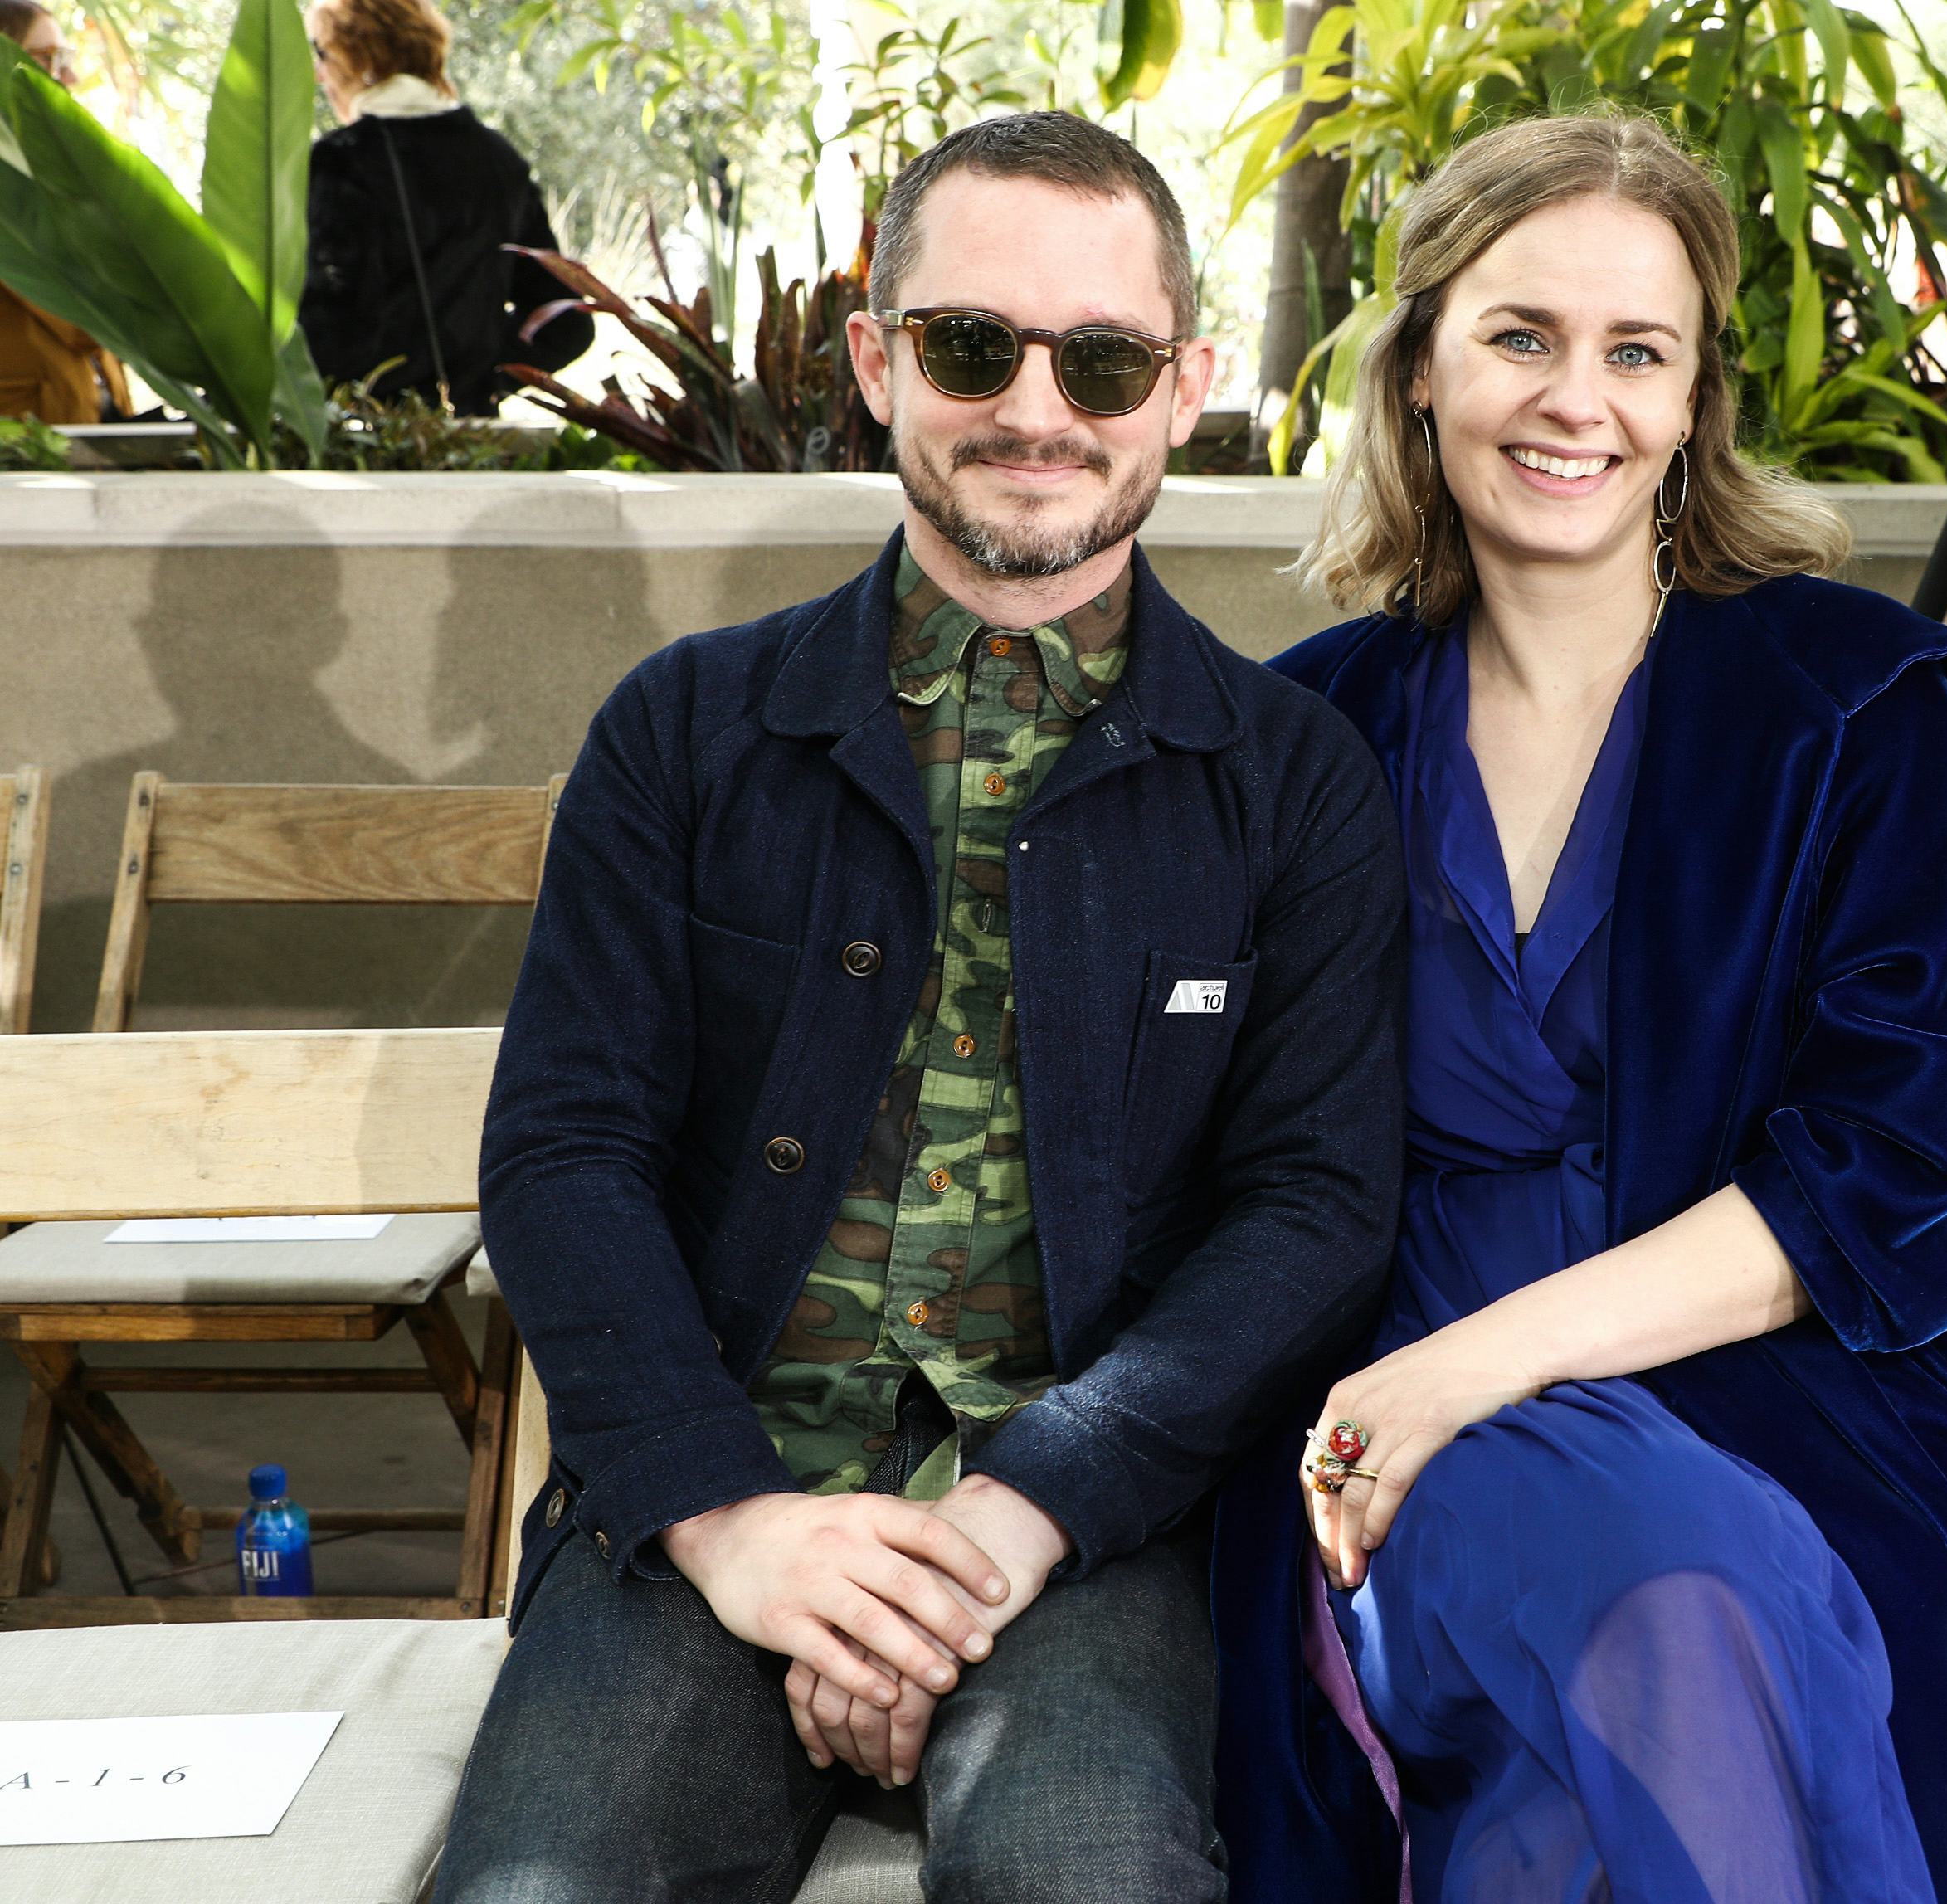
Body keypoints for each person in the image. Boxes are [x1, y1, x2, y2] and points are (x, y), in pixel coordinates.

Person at [1217, 112, 1947, 1903]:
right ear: (1419, 367)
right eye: (1520, 336)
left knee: (1669, 1630)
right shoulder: (1304, 730)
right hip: (1384, 1386)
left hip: (1779, 1380)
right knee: (1654, 1606)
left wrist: (1480, 1362)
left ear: (1697, 401)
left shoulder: (1859, 710)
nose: (1576, 401)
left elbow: (1900, 1163)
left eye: (1638, 352)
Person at [438, 111, 1404, 1902]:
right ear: (877, 362)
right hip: (716, 1489)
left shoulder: (1291, 780)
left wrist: (1029, 1504)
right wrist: (730, 1519)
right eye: (972, 346)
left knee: (1086, 1873)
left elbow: (1316, 1206)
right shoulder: (683, 732)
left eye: (1101, 360)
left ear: (1183, 388)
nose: (1037, 408)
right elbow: (567, 1151)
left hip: (1092, 1521)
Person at [297, 0, 590, 414]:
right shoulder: (497, 160)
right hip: (469, 436)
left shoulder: (340, 160)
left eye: (323, 53)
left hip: (360, 436)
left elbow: (325, 323)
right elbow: (566, 321)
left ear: (362, 57)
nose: (318, 73)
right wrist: (484, 377)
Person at [0, 1, 134, 425]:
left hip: (84, 416)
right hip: (29, 436)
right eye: (49, 58)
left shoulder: (37, 162)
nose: (70, 77)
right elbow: (86, 318)